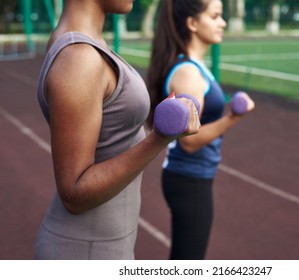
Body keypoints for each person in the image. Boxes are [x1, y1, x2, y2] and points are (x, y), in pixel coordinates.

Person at [34, 0, 199, 260]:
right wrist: (160, 137)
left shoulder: (80, 44)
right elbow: (74, 193)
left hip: (102, 246)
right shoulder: (78, 57)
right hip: (85, 251)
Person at [147, 0, 255, 260]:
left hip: (190, 176)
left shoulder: (194, 67)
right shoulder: (188, 74)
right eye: (216, 16)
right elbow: (189, 141)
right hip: (189, 178)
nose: (223, 22)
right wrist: (234, 116)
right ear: (193, 23)